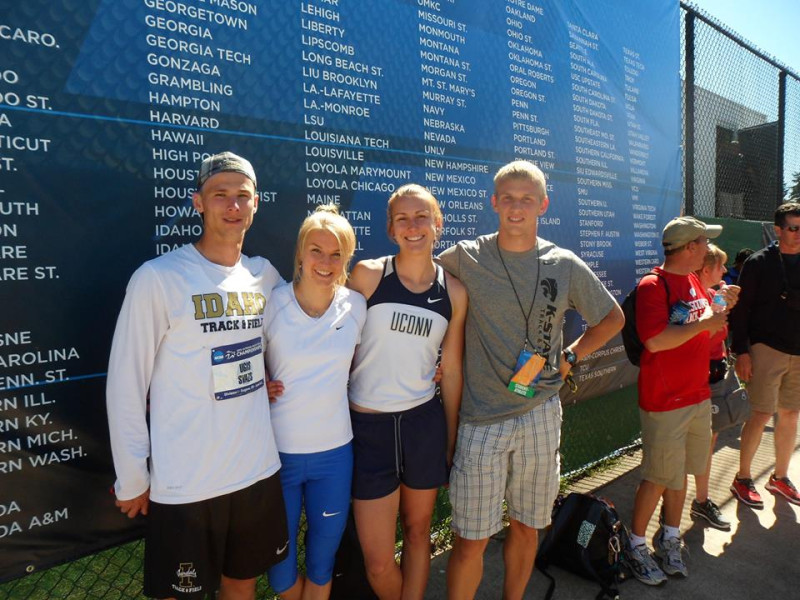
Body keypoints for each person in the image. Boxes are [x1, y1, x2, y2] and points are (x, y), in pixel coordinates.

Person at [437, 160, 624, 600]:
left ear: (543, 204)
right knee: (471, 538)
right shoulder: (466, 256)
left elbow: (612, 318)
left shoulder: (564, 263)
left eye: (526, 199)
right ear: (494, 203)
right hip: (481, 419)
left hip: (540, 413)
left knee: (527, 524)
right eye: (507, 199)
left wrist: (572, 355)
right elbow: (416, 275)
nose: (516, 208)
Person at [106, 152, 289, 600]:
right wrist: (133, 476)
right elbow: (126, 381)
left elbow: (294, 339)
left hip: (255, 468)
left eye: (242, 196)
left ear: (256, 204)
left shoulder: (264, 275)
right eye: (220, 195)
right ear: (198, 203)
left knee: (240, 585)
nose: (232, 205)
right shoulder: (159, 278)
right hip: (187, 480)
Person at [347, 184, 468, 600]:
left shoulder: (453, 292)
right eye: (403, 218)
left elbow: (450, 371)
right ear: (390, 229)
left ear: (438, 224)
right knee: (379, 562)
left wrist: (449, 440)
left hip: (422, 424)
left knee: (418, 533)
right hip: (368, 429)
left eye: (422, 217)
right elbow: (333, 349)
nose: (413, 226)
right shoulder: (367, 275)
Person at [624, 217, 738, 586]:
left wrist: (723, 305)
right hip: (665, 400)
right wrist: (704, 325)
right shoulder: (652, 286)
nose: (708, 250)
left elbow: (709, 329)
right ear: (690, 247)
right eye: (704, 243)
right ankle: (636, 543)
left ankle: (670, 536)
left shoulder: (693, 282)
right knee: (657, 477)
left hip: (697, 394)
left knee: (682, 473)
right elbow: (655, 340)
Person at [264, 205, 366, 600]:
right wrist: (258, 384)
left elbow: (366, 365)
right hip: (278, 457)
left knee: (323, 561)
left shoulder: (356, 306)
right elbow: (244, 363)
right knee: (281, 570)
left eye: (336, 253)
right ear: (300, 254)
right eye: (316, 250)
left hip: (334, 456)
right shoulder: (272, 303)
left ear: (347, 258)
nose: (325, 262)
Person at [730, 202, 800, 507]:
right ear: (777, 230)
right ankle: (742, 478)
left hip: (798, 352)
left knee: (791, 414)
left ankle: (779, 477)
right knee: (760, 414)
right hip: (765, 349)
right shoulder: (759, 263)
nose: (798, 234)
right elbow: (740, 312)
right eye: (793, 228)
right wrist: (741, 352)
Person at [688, 243, 735, 531]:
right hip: (696, 379)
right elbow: (703, 338)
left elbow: (720, 333)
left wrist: (726, 304)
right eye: (721, 266)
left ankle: (701, 500)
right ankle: (675, 512)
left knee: (709, 440)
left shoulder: (711, 295)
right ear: (706, 270)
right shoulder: (695, 300)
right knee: (693, 444)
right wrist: (720, 309)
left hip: (714, 377)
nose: (726, 271)